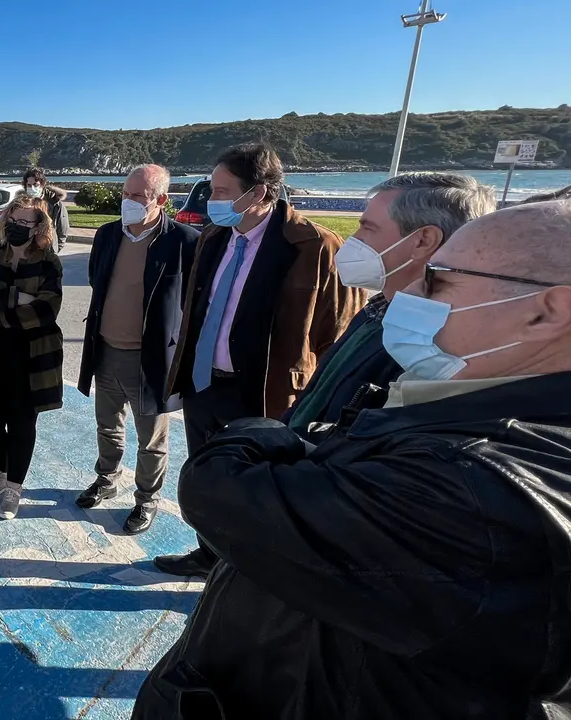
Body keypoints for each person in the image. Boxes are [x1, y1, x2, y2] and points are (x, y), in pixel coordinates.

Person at [133, 200, 571, 720]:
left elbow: (219, 488)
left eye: (439, 281)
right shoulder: (477, 412)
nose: (409, 292)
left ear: (548, 311)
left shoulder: (472, 487)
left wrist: (264, 435)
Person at [152, 142, 363, 579]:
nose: (214, 200)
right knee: (209, 479)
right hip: (204, 383)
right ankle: (209, 553)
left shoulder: (314, 246)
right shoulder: (215, 237)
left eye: (224, 191)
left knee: (257, 491)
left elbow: (337, 331)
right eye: (213, 189)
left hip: (265, 393)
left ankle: (248, 575)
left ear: (261, 192)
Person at [283, 172, 495, 440]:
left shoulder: (430, 343)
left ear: (423, 240)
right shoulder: (380, 309)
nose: (353, 240)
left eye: (368, 228)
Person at [74, 165, 198, 534]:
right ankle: (107, 479)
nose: (128, 201)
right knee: (107, 425)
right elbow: (99, 280)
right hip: (106, 351)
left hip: (152, 360)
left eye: (138, 196)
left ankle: (147, 499)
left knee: (152, 439)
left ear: (161, 200)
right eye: (125, 194)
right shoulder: (107, 234)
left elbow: (194, 303)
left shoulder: (184, 241)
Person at [0, 195, 63, 519]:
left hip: (29, 359)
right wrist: (16, 298)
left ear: (39, 228)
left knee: (22, 425)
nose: (18, 227)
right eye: (14, 220)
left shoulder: (48, 262)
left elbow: (47, 309)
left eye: (26, 223)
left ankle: (13, 489)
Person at [22, 168, 70, 253]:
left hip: (47, 252)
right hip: (25, 251)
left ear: (42, 185)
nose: (32, 188)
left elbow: (62, 231)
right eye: (29, 185)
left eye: (35, 184)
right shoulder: (21, 203)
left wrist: (54, 250)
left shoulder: (56, 204)